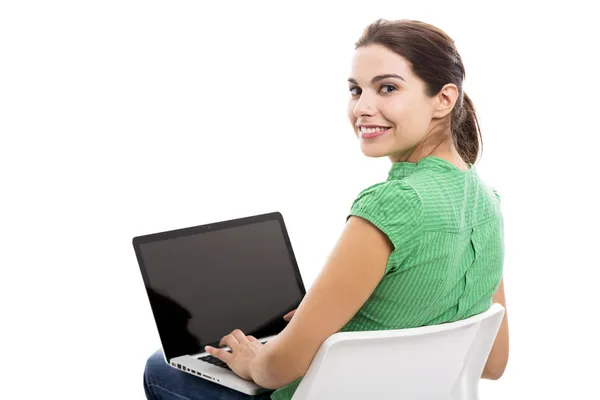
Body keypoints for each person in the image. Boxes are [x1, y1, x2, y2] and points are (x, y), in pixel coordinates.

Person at [143, 18, 510, 400]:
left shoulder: (392, 205)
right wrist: (324, 316)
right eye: (355, 90)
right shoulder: (488, 202)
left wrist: (254, 358)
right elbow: (492, 362)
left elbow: (277, 370)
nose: (363, 108)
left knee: (161, 366)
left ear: (444, 99)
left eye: (387, 88)